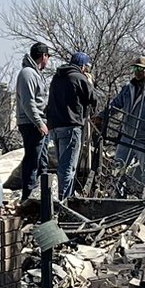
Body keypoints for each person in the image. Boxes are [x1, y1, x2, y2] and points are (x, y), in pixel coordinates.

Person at [97, 56, 145, 195]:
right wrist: (101, 116)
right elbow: (115, 105)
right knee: (118, 167)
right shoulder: (128, 88)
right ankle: (114, 196)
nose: (137, 72)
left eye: (141, 69)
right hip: (127, 135)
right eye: (135, 68)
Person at [45, 50, 97, 204]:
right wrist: (89, 82)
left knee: (62, 166)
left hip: (55, 127)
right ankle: (65, 203)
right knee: (68, 168)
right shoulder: (79, 78)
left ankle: (62, 198)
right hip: (71, 127)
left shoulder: (56, 78)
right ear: (82, 66)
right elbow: (93, 99)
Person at [10, 42, 51, 191]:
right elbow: (28, 102)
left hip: (39, 123)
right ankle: (28, 195)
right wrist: (39, 123)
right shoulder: (27, 73)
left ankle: (42, 197)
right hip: (31, 124)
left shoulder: (36, 74)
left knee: (42, 162)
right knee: (32, 162)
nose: (48, 61)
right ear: (43, 56)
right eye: (48, 57)